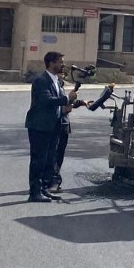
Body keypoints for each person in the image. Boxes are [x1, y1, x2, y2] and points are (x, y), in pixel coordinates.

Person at [25, 51, 82, 202]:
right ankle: (34, 192)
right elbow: (46, 101)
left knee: (50, 160)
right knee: (39, 159)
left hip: (54, 126)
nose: (63, 65)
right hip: (40, 126)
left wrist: (72, 103)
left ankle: (44, 188)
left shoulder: (56, 81)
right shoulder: (41, 80)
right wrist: (66, 98)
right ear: (51, 63)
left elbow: (58, 102)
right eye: (60, 62)